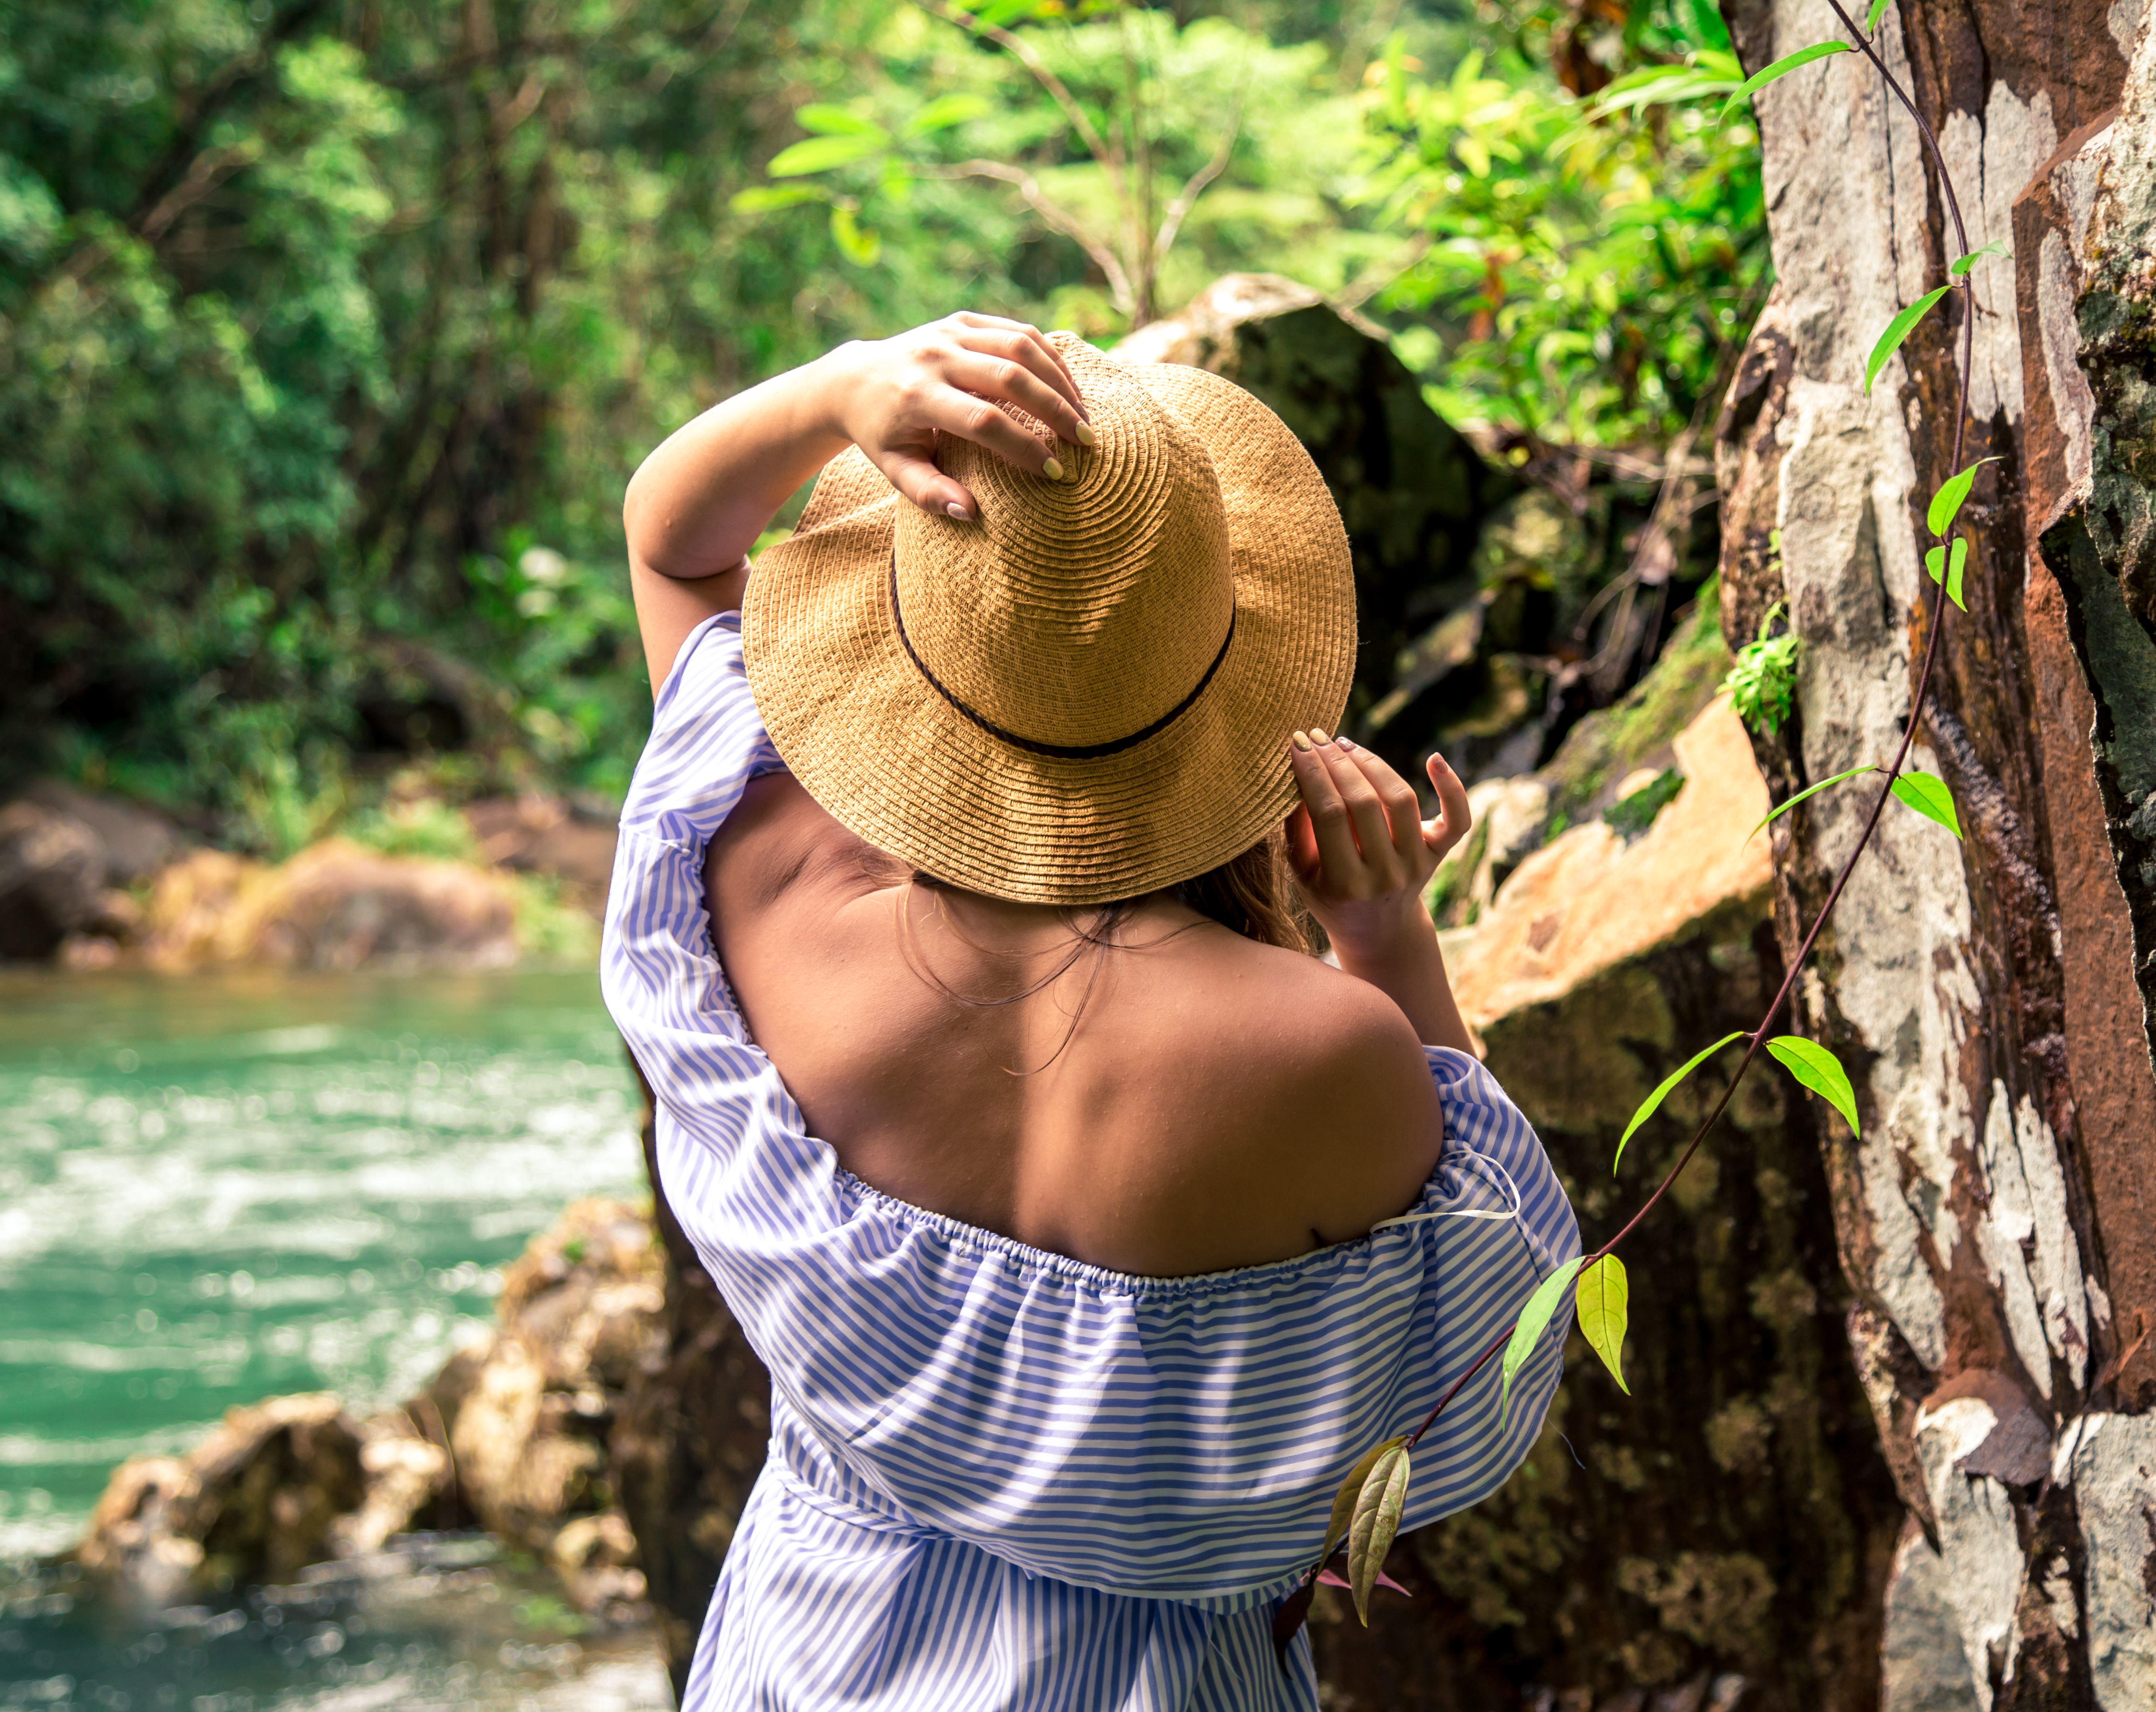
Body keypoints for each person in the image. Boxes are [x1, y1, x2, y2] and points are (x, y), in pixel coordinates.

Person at [603, 313, 1576, 1710]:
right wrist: (1387, 937)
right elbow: (1480, 1344)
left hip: (805, 1656)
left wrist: (840, 388)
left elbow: (672, 541)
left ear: (899, 650)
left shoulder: (756, 874)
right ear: (1232, 687)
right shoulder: (1322, 1050)